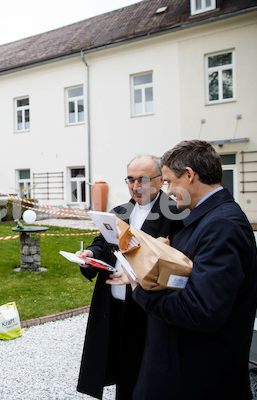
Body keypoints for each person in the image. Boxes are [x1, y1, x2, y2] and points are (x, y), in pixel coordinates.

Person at [114, 140, 257, 400]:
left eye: (169, 182)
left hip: (195, 379)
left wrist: (139, 286)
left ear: (190, 175)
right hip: (179, 368)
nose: (167, 191)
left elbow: (201, 309)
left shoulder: (223, 226)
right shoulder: (203, 219)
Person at [76, 155, 183, 400]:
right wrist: (91, 253)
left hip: (146, 308)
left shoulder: (174, 214)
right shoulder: (121, 211)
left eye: (143, 180)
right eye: (131, 180)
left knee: (144, 374)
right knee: (120, 368)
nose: (135, 187)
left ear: (160, 181)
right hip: (113, 306)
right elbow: (102, 242)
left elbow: (175, 261)